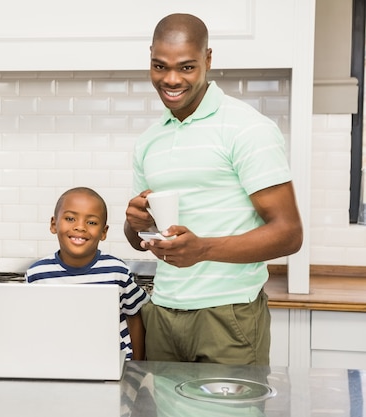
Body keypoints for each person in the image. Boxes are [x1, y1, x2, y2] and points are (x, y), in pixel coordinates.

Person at [124, 13, 303, 365]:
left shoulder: (247, 129)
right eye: (160, 66)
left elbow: (289, 234)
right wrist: (134, 223)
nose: (171, 79)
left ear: (208, 59)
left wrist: (203, 249)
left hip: (228, 317)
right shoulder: (149, 142)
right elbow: (142, 238)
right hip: (162, 311)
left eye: (186, 67)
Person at [26, 187, 150, 360]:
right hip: (57, 362)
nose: (80, 227)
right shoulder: (37, 274)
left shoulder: (116, 271)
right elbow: (33, 326)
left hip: (112, 364)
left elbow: (135, 317)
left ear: (104, 232)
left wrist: (137, 364)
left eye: (91, 222)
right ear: (54, 225)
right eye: (70, 218)